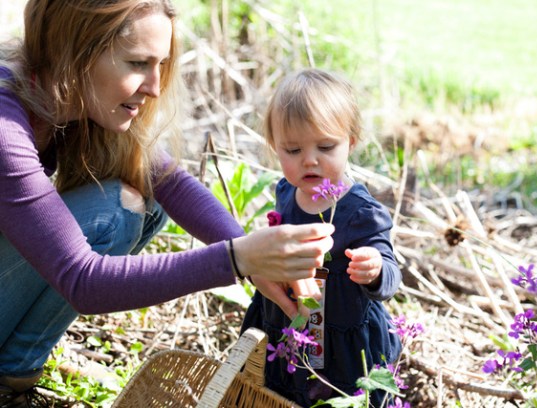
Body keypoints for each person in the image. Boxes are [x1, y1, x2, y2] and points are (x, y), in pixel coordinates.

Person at [0, 1, 335, 405]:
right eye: (138, 63)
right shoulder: (5, 125)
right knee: (115, 210)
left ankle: (12, 373)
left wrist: (255, 261)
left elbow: (170, 182)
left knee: (144, 197)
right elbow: (83, 281)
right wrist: (236, 258)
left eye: (160, 64)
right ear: (75, 51)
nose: (155, 86)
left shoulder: (68, 98)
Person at [241, 68, 402, 407]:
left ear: (351, 143)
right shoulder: (286, 192)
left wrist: (374, 271)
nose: (310, 160)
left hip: (340, 340)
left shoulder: (360, 213)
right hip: (289, 323)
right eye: (293, 150)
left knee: (336, 398)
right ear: (275, 148)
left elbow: (391, 272)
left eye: (326, 146)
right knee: (282, 393)